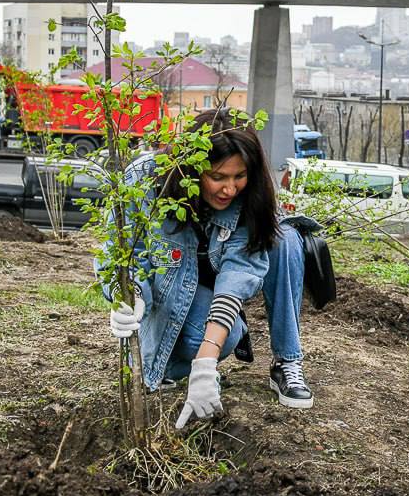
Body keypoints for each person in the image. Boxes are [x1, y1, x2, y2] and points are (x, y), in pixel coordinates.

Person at [102, 108, 313, 429]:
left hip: (217, 281)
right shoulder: (144, 180)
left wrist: (205, 363)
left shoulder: (249, 197)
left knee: (285, 240)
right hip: (170, 287)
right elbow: (122, 253)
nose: (230, 189)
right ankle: (173, 363)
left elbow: (238, 274)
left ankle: (287, 360)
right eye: (218, 177)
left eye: (238, 176)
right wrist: (127, 295)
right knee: (181, 350)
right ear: (191, 170)